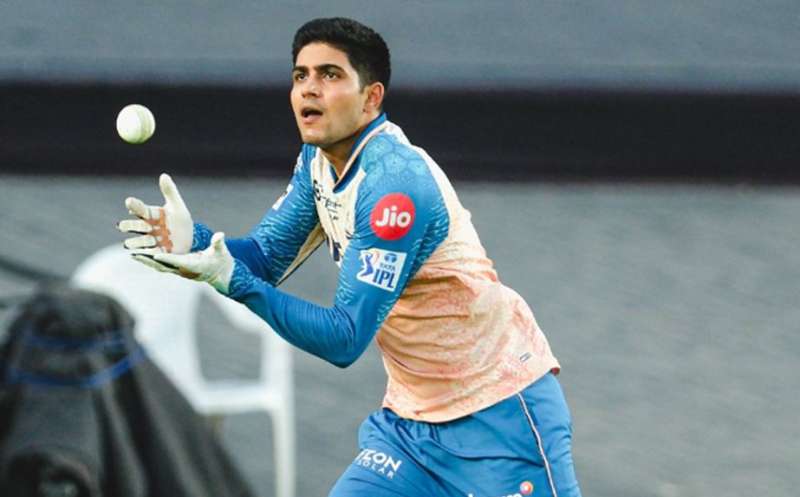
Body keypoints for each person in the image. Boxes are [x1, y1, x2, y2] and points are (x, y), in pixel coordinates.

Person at [117, 17, 582, 497]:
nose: (309, 89)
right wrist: (194, 241)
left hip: (499, 416)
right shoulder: (318, 163)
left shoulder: (394, 187)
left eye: (330, 75)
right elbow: (264, 257)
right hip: (411, 428)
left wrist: (232, 279)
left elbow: (343, 338)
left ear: (371, 98)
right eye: (301, 75)